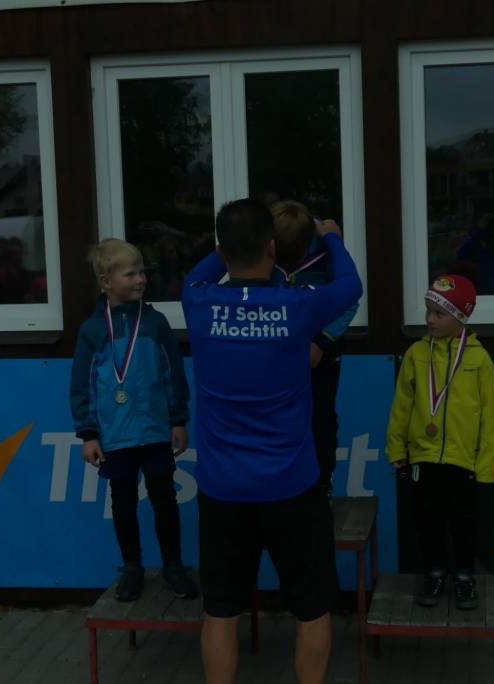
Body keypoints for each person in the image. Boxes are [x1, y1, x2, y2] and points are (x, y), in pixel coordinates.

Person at [182, 198, 362, 684]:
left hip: (223, 490)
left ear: (223, 250)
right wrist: (332, 237)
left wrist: (228, 247)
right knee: (312, 609)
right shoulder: (299, 305)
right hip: (292, 487)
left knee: (221, 611)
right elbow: (351, 286)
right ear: (272, 248)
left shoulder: (197, 301)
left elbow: (205, 268)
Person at [70, 238, 197, 602]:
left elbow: (174, 374)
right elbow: (81, 385)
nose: (140, 279)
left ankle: (173, 565)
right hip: (115, 435)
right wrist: (88, 434)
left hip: (156, 431)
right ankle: (132, 567)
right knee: (123, 502)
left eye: (142, 272)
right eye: (130, 274)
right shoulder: (92, 331)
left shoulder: (156, 323)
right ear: (105, 282)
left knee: (164, 499)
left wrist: (177, 419)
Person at [386, 274, 494, 610]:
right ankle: (433, 572)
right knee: (427, 518)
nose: (430, 319)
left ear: (461, 316)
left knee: (464, 520)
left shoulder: (479, 359)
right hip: (423, 456)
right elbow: (401, 407)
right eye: (428, 311)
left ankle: (464, 576)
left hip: (463, 458)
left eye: (439, 313)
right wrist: (397, 448)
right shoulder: (416, 354)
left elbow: (489, 417)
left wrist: (486, 465)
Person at [269, 200, 359, 495]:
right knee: (278, 416)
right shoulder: (265, 252)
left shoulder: (327, 254)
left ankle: (322, 484)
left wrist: (321, 341)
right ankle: (281, 483)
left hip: (321, 353)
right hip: (278, 354)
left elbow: (350, 301)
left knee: (321, 417)